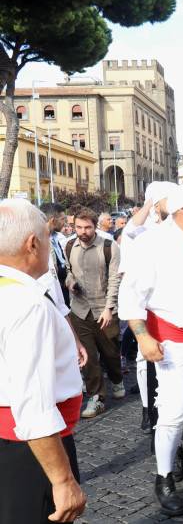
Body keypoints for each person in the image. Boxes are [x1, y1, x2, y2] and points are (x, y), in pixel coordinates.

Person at [119, 185, 183, 517]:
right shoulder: (153, 242)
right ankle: (165, 477)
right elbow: (131, 295)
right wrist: (143, 337)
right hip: (173, 341)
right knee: (174, 412)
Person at [0, 198, 87, 523]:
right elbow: (34, 403)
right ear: (32, 244)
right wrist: (62, 480)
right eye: (48, 238)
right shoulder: (27, 304)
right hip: (28, 450)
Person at [119, 181, 177, 433]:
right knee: (145, 359)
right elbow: (130, 231)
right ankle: (147, 408)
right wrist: (150, 202)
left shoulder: (177, 224)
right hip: (146, 303)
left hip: (174, 303)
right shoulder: (144, 229)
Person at [66, 208, 125, 418]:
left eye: (87, 227)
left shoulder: (109, 247)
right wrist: (70, 283)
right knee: (88, 357)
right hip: (80, 310)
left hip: (104, 309)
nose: (83, 231)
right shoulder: (69, 246)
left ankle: (117, 379)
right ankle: (96, 397)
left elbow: (115, 280)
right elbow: (69, 272)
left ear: (95, 227)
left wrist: (109, 309)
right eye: (79, 227)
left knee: (110, 353)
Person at [40, 203, 70, 304]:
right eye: (62, 219)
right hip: (52, 290)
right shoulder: (40, 241)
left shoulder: (58, 237)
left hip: (64, 286)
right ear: (53, 220)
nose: (65, 223)